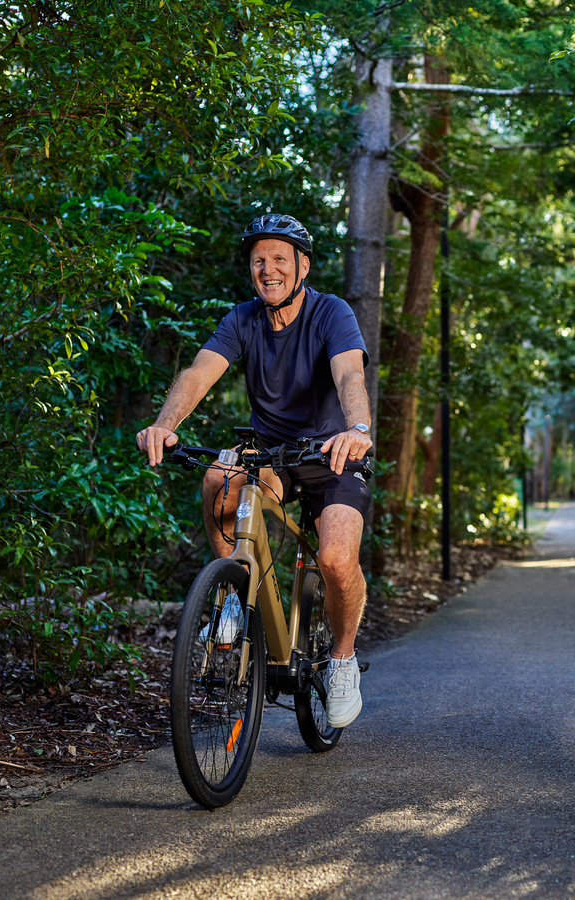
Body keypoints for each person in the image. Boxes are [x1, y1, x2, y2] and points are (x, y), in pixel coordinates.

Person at [136, 213, 373, 728]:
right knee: (219, 480)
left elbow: (349, 371)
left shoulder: (331, 313)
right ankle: (236, 597)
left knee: (334, 557)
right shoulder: (242, 319)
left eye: (279, 260)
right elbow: (199, 371)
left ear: (302, 266)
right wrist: (163, 423)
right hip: (272, 453)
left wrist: (357, 427)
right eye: (259, 260)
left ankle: (342, 658)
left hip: (333, 453)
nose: (268, 269)